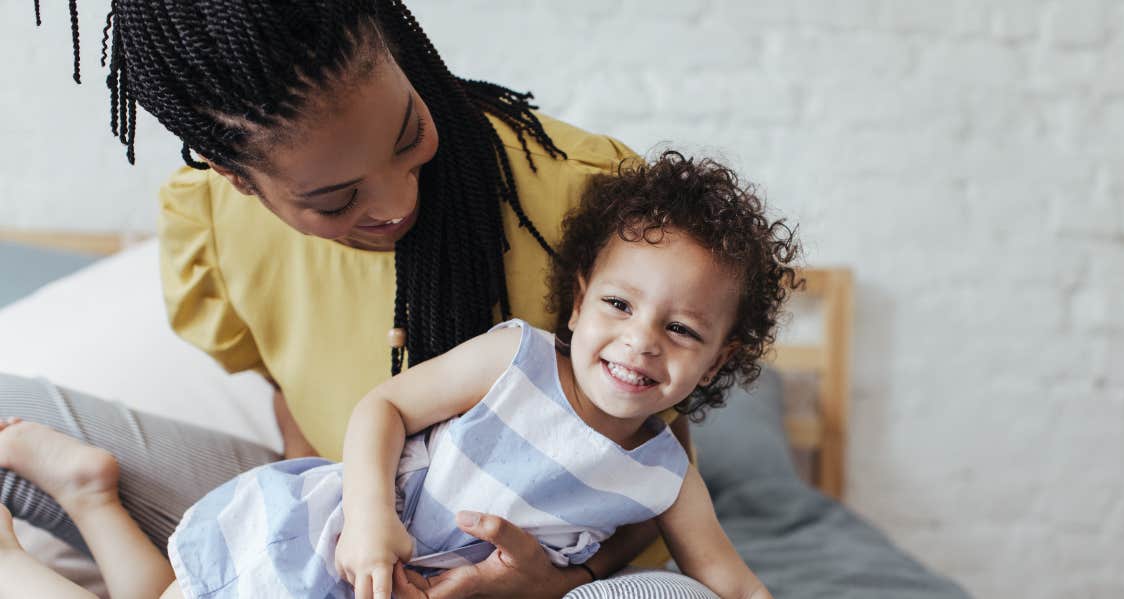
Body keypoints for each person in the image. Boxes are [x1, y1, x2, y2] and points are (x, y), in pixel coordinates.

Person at [4, 1, 713, 597]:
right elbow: (291, 394)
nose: (398, 200)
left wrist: (555, 579)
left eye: (410, 134)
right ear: (238, 178)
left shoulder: (596, 203)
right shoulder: (214, 221)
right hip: (348, 521)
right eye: (335, 200)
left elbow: (657, 453)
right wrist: (320, 537)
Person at [0, 152, 796, 599]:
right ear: (581, 299)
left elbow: (724, 575)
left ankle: (91, 491)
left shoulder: (664, 474)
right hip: (336, 548)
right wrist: (371, 516)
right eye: (620, 304)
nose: (640, 342)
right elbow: (383, 407)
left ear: (718, 357)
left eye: (682, 329)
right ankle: (39, 540)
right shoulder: (516, 358)